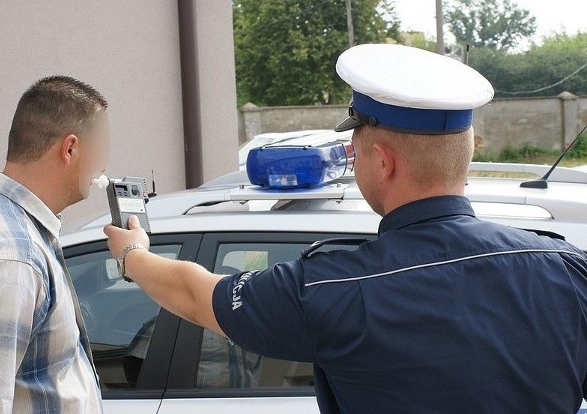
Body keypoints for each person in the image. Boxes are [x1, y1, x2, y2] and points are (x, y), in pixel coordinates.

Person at [103, 44, 587, 413]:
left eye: (355, 151)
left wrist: (132, 255)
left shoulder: (331, 289)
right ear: (468, 153)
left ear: (383, 160)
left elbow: (195, 295)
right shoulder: (568, 270)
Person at [0, 76, 110, 413]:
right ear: (70, 149)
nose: (103, 166)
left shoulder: (3, 218)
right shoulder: (12, 260)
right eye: (100, 149)